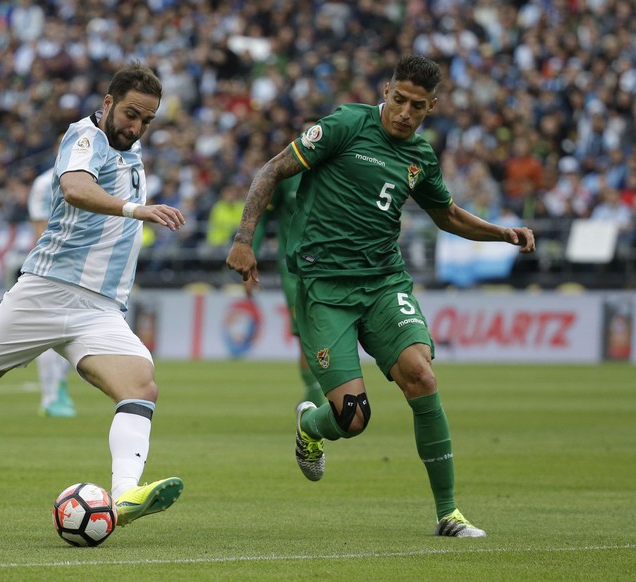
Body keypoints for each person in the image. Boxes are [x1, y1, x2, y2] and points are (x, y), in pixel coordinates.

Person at [226, 54, 535, 538]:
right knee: (352, 418)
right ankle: (311, 428)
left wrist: (502, 233)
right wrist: (244, 240)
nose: (405, 112)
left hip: (383, 282)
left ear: (432, 106)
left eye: (417, 105)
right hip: (324, 286)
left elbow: (447, 215)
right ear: (386, 91)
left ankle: (448, 514)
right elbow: (270, 171)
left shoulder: (421, 156)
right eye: (399, 99)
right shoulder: (347, 124)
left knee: (422, 376)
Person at [0, 62, 186, 527]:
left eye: (147, 120)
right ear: (107, 103)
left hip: (99, 308)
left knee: (141, 386)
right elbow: (77, 189)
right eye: (130, 114)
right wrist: (136, 210)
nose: (136, 126)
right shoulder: (84, 137)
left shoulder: (131, 143)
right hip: (44, 293)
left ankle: (125, 495)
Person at [245, 170, 324, 408]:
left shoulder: (337, 168)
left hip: (329, 266)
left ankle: (321, 391)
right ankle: (315, 393)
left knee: (324, 330)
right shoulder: (287, 173)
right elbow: (260, 218)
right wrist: (250, 255)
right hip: (293, 268)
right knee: (304, 331)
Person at [27, 141, 77, 418]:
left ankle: (59, 386)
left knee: (74, 331)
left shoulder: (90, 178)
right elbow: (40, 229)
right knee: (49, 332)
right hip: (53, 268)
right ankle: (50, 396)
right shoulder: (44, 184)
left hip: (83, 269)